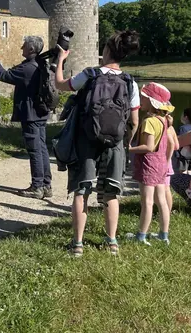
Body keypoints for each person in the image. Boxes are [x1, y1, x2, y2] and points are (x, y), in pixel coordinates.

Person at [55, 30, 141, 257]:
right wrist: (125, 144)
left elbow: (61, 85)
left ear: (106, 50)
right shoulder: (130, 82)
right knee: (111, 192)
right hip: (114, 143)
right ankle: (112, 242)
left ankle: (77, 244)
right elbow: (134, 120)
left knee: (81, 190)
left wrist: (61, 60)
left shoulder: (90, 74)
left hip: (86, 140)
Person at [0, 36, 53, 199]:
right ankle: (46, 185)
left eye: (24, 46)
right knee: (42, 149)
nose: (21, 48)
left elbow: (4, 76)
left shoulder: (28, 68)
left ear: (32, 50)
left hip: (31, 114)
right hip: (41, 112)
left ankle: (37, 187)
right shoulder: (41, 64)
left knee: (35, 150)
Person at [127, 83, 176, 245]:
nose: (141, 101)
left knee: (147, 201)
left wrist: (130, 148)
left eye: (143, 98)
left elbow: (148, 146)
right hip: (161, 164)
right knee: (161, 200)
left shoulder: (149, 122)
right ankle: (163, 234)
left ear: (151, 101)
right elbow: (168, 145)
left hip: (149, 165)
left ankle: (141, 235)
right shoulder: (164, 120)